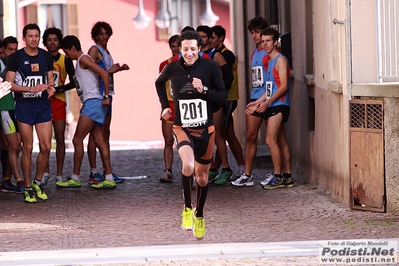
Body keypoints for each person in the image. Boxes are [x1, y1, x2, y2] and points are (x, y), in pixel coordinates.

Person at [155, 31, 227, 240]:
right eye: (184, 49)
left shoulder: (210, 66)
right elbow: (159, 83)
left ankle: (200, 214)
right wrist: (164, 107)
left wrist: (204, 90)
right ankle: (187, 209)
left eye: (192, 49)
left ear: (199, 49)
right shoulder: (172, 68)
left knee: (202, 178)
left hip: (205, 128)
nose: (188, 53)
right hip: (182, 126)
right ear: (179, 49)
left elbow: (222, 96)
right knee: (187, 166)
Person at [57, 35, 116, 190]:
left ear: (73, 48)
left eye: (67, 52)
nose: (67, 56)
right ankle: (109, 177)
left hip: (93, 103)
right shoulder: (81, 62)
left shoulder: (83, 59)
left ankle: (75, 177)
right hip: (93, 103)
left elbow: (103, 73)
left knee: (77, 140)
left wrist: (106, 97)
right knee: (99, 140)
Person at [6, 23, 55, 203]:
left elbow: (50, 80)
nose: (33, 39)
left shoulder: (46, 56)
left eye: (36, 36)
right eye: (30, 36)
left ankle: (37, 181)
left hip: (42, 105)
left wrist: (50, 89)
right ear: (24, 38)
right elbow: (9, 84)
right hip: (24, 105)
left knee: (46, 147)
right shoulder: (16, 58)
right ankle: (27, 187)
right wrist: (30, 89)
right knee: (27, 147)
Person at [246, 27, 294, 189]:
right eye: (263, 41)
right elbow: (269, 87)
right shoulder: (267, 60)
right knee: (280, 140)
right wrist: (258, 102)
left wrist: (266, 103)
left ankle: (277, 175)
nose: (265, 44)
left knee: (269, 139)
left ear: (275, 42)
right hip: (271, 103)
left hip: (279, 104)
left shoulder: (280, 59)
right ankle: (287, 176)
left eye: (268, 41)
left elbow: (283, 87)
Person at [87, 21, 129, 185]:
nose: (104, 36)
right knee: (95, 135)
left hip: (108, 94)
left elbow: (106, 71)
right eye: (101, 33)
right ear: (95, 35)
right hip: (98, 96)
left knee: (105, 133)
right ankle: (94, 171)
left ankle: (107, 170)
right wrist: (112, 70)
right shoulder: (94, 50)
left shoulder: (105, 51)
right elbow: (89, 70)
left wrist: (118, 69)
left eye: (106, 33)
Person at [231, 16, 269, 187]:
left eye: (258, 32)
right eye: (252, 32)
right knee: (250, 136)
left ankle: (280, 173)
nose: (255, 36)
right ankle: (247, 174)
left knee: (274, 139)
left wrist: (266, 98)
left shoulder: (270, 53)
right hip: (255, 96)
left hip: (269, 99)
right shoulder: (254, 53)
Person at [196, 25, 234, 183]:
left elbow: (228, 76)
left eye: (204, 37)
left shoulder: (215, 54)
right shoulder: (194, 55)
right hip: (199, 102)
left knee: (218, 135)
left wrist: (217, 91)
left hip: (214, 102)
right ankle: (210, 169)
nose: (201, 39)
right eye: (198, 36)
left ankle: (226, 168)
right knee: (203, 137)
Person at [210, 25, 246, 184]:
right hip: (225, 99)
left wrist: (218, 92)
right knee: (228, 135)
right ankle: (241, 167)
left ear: (221, 38)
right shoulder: (215, 54)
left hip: (228, 99)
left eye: (212, 37)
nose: (210, 40)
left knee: (222, 135)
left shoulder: (226, 55)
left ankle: (219, 169)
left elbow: (228, 78)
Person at [41, 27, 75, 185]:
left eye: (55, 40)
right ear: (45, 42)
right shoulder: (40, 58)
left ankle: (59, 173)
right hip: (42, 102)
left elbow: (74, 82)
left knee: (60, 138)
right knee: (44, 140)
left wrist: (58, 89)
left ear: (59, 42)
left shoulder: (65, 59)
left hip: (59, 101)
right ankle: (44, 172)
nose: (52, 43)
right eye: (49, 40)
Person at [0, 36, 24, 193]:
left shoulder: (19, 63)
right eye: (10, 49)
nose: (13, 52)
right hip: (5, 108)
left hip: (19, 107)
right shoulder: (2, 64)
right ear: (3, 50)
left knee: (15, 146)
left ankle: (7, 179)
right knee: (13, 145)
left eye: (15, 49)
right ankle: (19, 180)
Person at [158, 34, 180, 183]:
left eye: (177, 46)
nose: (175, 49)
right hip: (169, 105)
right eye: (172, 46)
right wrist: (164, 105)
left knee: (185, 141)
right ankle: (168, 171)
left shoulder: (188, 63)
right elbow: (160, 84)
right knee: (168, 140)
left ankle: (189, 170)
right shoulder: (164, 65)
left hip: (182, 106)